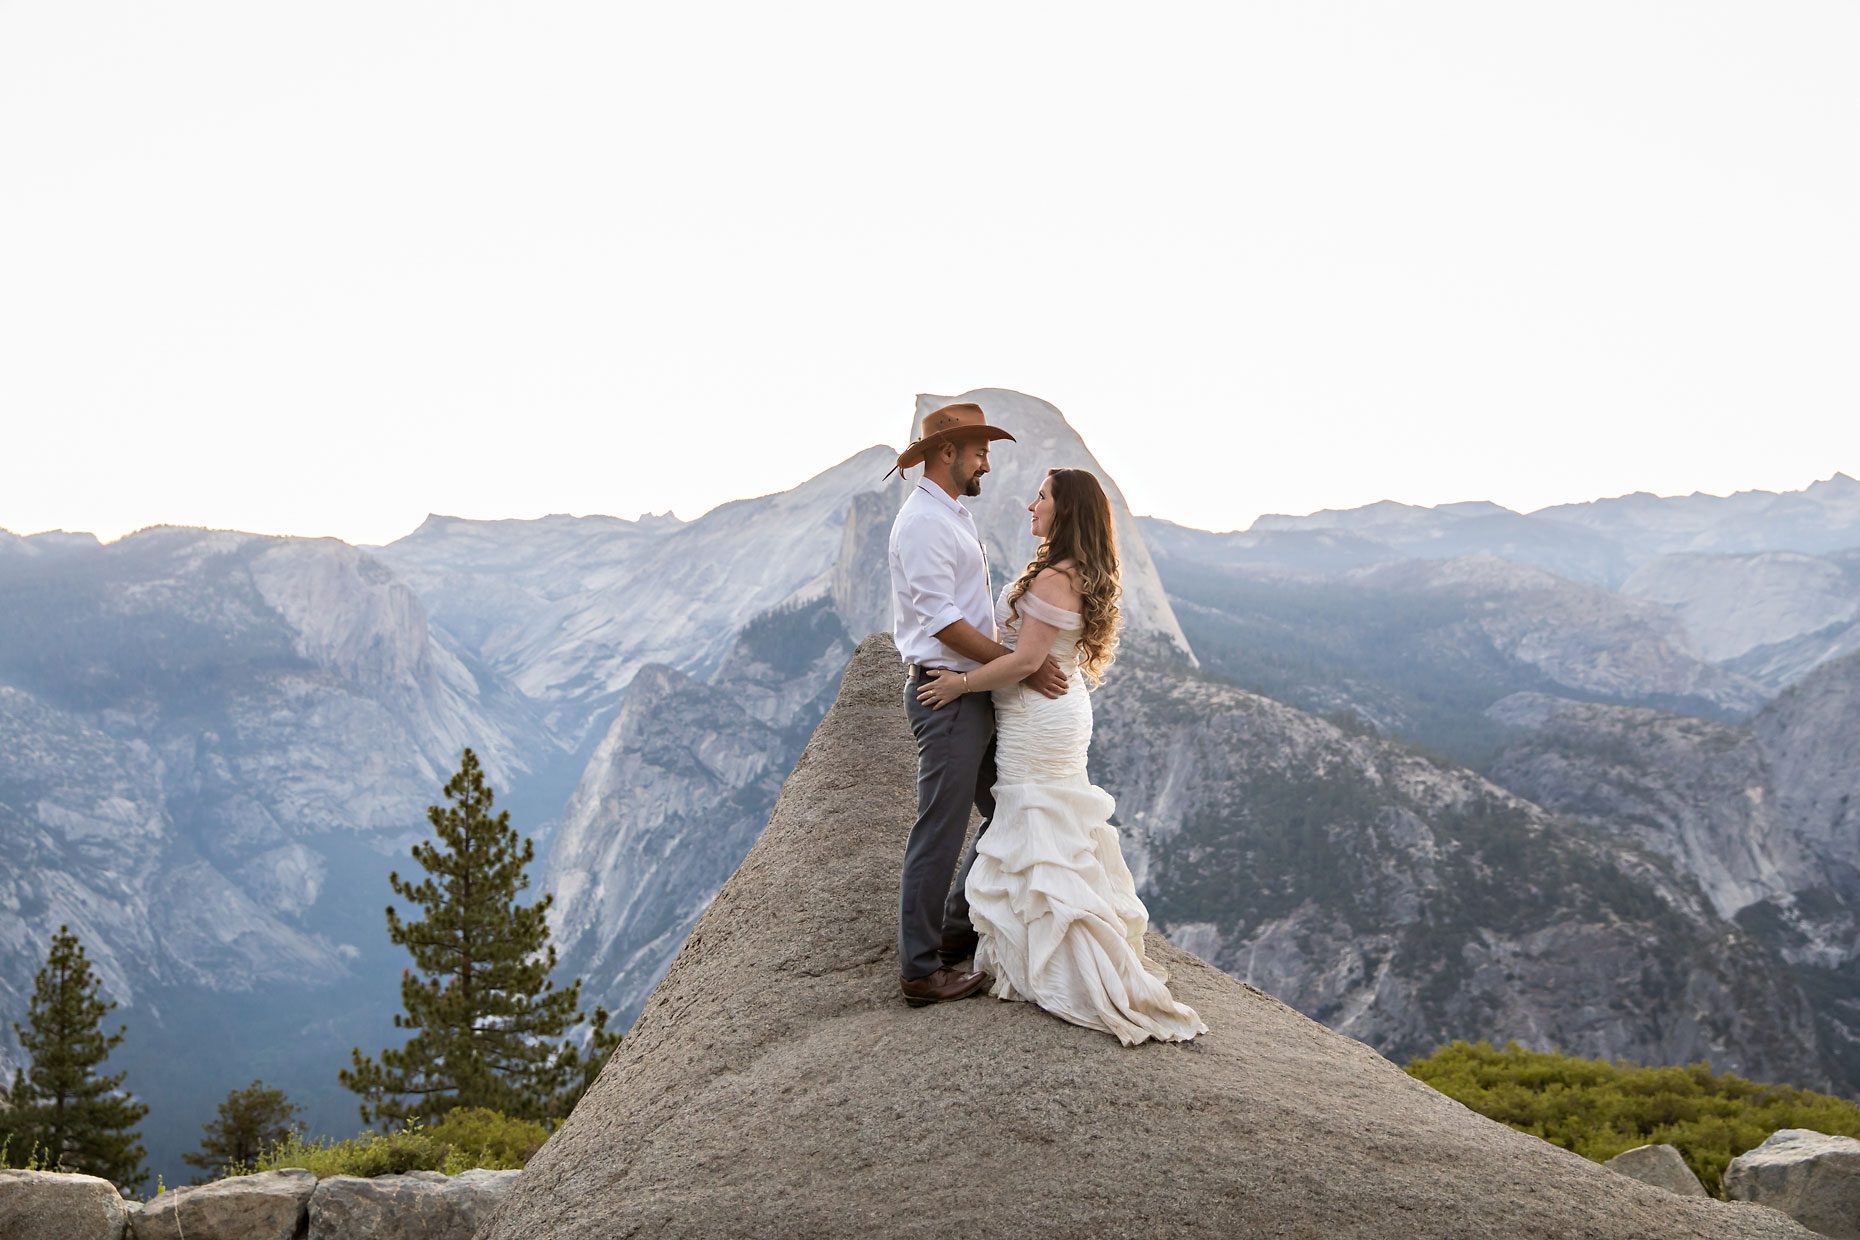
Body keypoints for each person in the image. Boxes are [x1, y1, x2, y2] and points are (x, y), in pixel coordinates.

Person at [915, 468, 1207, 1045]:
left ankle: (1051, 949)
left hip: (1035, 716)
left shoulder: (1053, 579)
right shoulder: (1075, 572)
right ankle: (981, 930)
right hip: (1060, 708)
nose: (1031, 505)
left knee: (1032, 817)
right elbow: (1034, 656)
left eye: (1042, 497)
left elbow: (1026, 663)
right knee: (1043, 818)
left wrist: (960, 686)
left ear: (1065, 510)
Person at [888, 402, 1070, 1008]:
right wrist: (1010, 664)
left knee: (1009, 807)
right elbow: (941, 620)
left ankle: (954, 931)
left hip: (972, 691)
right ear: (949, 453)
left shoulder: (950, 516)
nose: (986, 464)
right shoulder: (924, 524)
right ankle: (920, 969)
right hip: (949, 695)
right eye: (980, 453)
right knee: (939, 831)